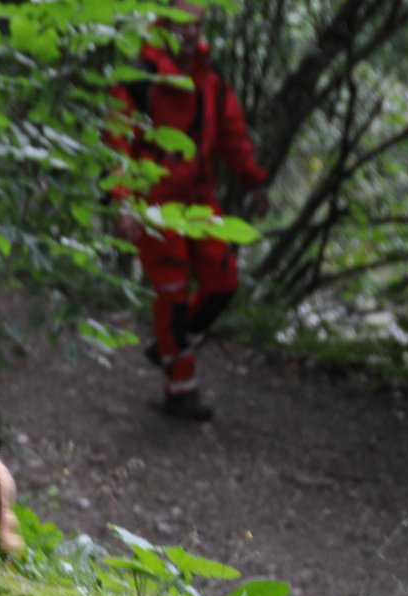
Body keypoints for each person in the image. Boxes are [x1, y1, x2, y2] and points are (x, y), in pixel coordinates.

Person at [111, 0, 270, 421]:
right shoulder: (139, 78)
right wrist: (125, 201)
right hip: (154, 205)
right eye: (184, 22)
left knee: (223, 279)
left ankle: (169, 346)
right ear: (165, 22)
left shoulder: (210, 78)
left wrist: (253, 180)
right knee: (172, 291)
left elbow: (231, 135)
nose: (192, 32)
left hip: (200, 201)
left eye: (198, 23)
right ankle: (181, 387)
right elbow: (117, 145)